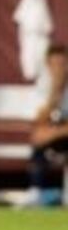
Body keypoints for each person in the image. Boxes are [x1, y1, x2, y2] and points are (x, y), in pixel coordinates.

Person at [23, 45, 68, 208]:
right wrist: (54, 95)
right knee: (39, 145)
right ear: (48, 65)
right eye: (54, 64)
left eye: (62, 64)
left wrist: (55, 132)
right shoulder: (42, 88)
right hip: (56, 135)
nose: (59, 69)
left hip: (60, 133)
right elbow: (38, 127)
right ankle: (36, 192)